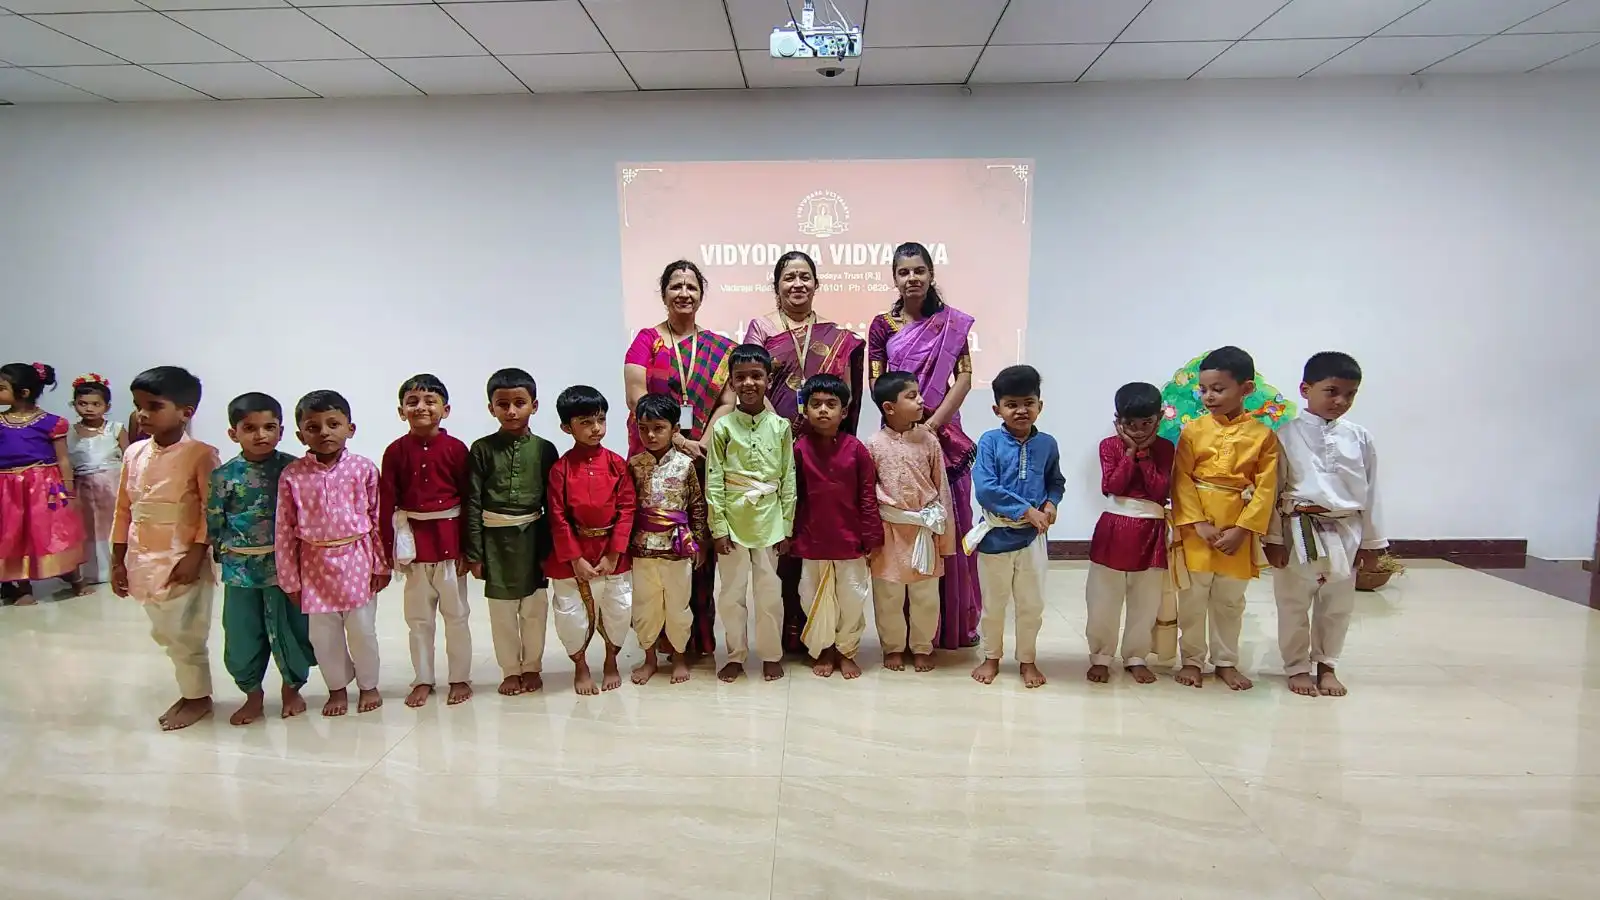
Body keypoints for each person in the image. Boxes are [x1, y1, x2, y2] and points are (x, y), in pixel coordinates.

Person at [745, 250, 868, 656]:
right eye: (789, 277)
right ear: (776, 285)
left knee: (819, 529)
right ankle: (788, 631)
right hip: (775, 445)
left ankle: (825, 628)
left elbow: (846, 392)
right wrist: (779, 430)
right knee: (785, 532)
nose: (797, 284)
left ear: (816, 284)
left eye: (804, 277)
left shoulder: (837, 336)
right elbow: (751, 383)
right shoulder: (761, 329)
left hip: (822, 449)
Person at [868, 242, 982, 650]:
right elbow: (877, 382)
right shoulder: (882, 325)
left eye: (919, 270)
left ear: (931, 274)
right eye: (904, 272)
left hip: (943, 433)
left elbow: (964, 376)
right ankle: (902, 633)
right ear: (894, 278)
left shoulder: (952, 323)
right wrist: (907, 423)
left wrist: (932, 425)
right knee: (901, 518)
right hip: (898, 435)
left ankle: (952, 625)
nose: (912, 278)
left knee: (948, 517)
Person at [623, 260, 738, 658]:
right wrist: (674, 438)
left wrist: (700, 441)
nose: (684, 293)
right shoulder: (646, 340)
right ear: (664, 293)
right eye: (676, 286)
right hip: (652, 455)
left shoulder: (721, 348)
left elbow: (727, 401)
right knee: (655, 544)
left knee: (697, 541)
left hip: (701, 457)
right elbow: (636, 396)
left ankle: (696, 638)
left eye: (691, 287)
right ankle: (656, 638)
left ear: (701, 295)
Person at [1264, 352, 1386, 698]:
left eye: (1350, 394)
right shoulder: (1284, 435)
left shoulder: (1359, 438)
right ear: (1306, 389)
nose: (1341, 401)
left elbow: (1372, 492)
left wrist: (1372, 544)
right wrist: (1273, 538)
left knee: (1337, 605)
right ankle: (1297, 667)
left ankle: (1327, 665)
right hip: (1298, 527)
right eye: (1332, 391)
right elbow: (1272, 490)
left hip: (1346, 529)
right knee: (1293, 602)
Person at [111, 366, 218, 730]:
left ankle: (197, 698)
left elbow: (210, 511)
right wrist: (118, 560)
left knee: (186, 631)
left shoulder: (201, 454)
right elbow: (123, 509)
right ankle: (191, 692)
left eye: (154, 406)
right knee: (164, 632)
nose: (142, 414)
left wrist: (196, 555)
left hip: (182, 558)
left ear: (186, 412)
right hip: (142, 558)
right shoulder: (134, 453)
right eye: (138, 405)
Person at [1171, 346, 1280, 692]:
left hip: (1237, 529)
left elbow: (1266, 487)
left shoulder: (1263, 436)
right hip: (1198, 529)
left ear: (1246, 389)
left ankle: (1226, 661)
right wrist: (1197, 523)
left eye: (1218, 389)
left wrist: (1243, 530)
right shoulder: (1193, 431)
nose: (1209, 397)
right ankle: (1191, 659)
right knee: (1192, 598)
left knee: (1230, 601)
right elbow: (1181, 479)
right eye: (1204, 389)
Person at [276, 390, 391, 717]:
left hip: (357, 558)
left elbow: (377, 518)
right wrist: (289, 580)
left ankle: (368, 685)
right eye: (313, 427)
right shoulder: (293, 475)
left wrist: (381, 564)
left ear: (350, 428)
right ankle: (336, 689)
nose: (324, 432)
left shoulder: (364, 469)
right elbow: (283, 529)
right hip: (314, 564)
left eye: (333, 424)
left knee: (363, 630)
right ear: (301, 435)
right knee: (324, 636)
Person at [207, 392, 315, 725]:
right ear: (233, 433)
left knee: (292, 629)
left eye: (269, 427)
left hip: (287, 569)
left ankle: (292, 689)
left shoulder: (294, 470)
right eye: (250, 428)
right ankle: (252, 695)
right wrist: (221, 555)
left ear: (281, 431)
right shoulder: (225, 476)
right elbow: (215, 520)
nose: (261, 435)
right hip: (240, 570)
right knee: (242, 633)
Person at [967, 365, 1064, 689]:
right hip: (995, 537)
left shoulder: (1047, 444)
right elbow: (986, 489)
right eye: (1011, 404)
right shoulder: (990, 442)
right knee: (994, 604)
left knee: (1031, 604)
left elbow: (1055, 481)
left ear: (1040, 405)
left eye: (1028, 403)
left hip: (1032, 539)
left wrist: (1051, 504)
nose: (1021, 410)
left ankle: (1027, 659)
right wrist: (1027, 510)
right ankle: (991, 656)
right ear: (997, 409)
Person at [380, 374, 473, 709]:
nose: (421, 407)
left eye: (430, 401)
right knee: (418, 619)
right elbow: (386, 502)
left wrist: (469, 549)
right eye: (412, 401)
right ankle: (422, 679)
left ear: (445, 410)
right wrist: (388, 551)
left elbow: (469, 500)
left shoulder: (456, 449)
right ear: (401, 411)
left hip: (450, 544)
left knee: (456, 615)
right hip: (414, 547)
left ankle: (460, 677)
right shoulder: (395, 452)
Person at [466, 367, 558, 697]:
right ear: (491, 408)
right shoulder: (481, 449)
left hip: (533, 539)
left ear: (534, 405)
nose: (511, 411)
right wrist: (475, 553)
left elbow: (552, 505)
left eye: (520, 403)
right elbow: (472, 502)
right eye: (502, 404)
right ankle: (510, 670)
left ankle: (532, 666)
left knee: (534, 609)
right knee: (502, 612)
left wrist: (550, 551)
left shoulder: (545, 449)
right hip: (495, 542)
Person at [707, 344, 796, 683]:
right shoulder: (723, 428)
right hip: (732, 521)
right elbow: (714, 478)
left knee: (769, 592)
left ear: (768, 380)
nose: (748, 383)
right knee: (731, 593)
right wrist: (718, 528)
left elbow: (788, 479)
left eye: (756, 376)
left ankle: (771, 654)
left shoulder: (781, 426)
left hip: (770, 521)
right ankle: (735, 655)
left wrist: (786, 526)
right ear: (731, 382)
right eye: (740, 377)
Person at [546, 385, 635, 696]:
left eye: (601, 420)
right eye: (585, 422)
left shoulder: (617, 464)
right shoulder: (560, 469)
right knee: (570, 614)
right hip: (573, 553)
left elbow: (627, 509)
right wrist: (575, 558)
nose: (596, 428)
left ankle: (611, 660)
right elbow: (557, 516)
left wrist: (614, 554)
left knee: (618, 608)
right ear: (566, 427)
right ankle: (581, 665)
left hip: (611, 550)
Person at [791, 374, 881, 679]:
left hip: (850, 540)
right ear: (805, 410)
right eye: (815, 404)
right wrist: (790, 535)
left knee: (851, 598)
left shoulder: (856, 449)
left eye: (831, 404)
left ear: (844, 412)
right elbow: (792, 496)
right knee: (810, 596)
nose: (823, 410)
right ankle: (824, 649)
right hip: (812, 539)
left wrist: (871, 538)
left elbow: (867, 496)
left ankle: (846, 650)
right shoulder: (800, 449)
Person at [865, 371, 955, 673]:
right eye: (912, 396)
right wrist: (869, 538)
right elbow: (868, 493)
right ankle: (892, 647)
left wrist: (945, 539)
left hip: (923, 530)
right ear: (889, 407)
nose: (921, 401)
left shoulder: (929, 441)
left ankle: (921, 646)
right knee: (888, 594)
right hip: (888, 531)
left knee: (925, 595)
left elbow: (942, 488)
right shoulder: (873, 444)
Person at [1086, 382, 1175, 686]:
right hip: (1114, 525)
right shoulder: (1108, 446)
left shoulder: (1166, 448)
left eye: (1146, 423)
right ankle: (1100, 655)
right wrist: (1131, 452)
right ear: (1118, 421)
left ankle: (1136, 656)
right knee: (1102, 598)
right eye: (1130, 424)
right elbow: (1113, 485)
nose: (1138, 430)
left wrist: (1145, 456)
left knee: (1146, 600)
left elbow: (1160, 490)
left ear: (1159, 418)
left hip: (1151, 527)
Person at [627, 393, 709, 686]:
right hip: (642, 548)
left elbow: (697, 505)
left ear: (675, 429)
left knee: (678, 606)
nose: (650, 435)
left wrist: (699, 541)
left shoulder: (686, 465)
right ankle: (649, 659)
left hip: (678, 547)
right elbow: (627, 507)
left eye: (658, 428)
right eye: (644, 428)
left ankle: (679, 657)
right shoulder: (634, 465)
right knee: (645, 606)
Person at [1, 362, 84, 607]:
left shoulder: (51, 422)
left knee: (53, 532)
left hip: (43, 486)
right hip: (7, 488)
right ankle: (22, 587)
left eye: (1, 388)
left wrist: (69, 488)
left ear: (23, 392)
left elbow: (63, 458)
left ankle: (75, 579)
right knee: (13, 534)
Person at [66, 373, 127, 591]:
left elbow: (129, 457)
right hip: (83, 486)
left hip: (112, 485)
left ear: (106, 406)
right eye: (82, 404)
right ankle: (92, 571)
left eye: (95, 404)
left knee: (113, 525)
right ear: (74, 405)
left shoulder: (116, 429)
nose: (89, 409)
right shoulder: (69, 432)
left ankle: (118, 566)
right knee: (88, 526)